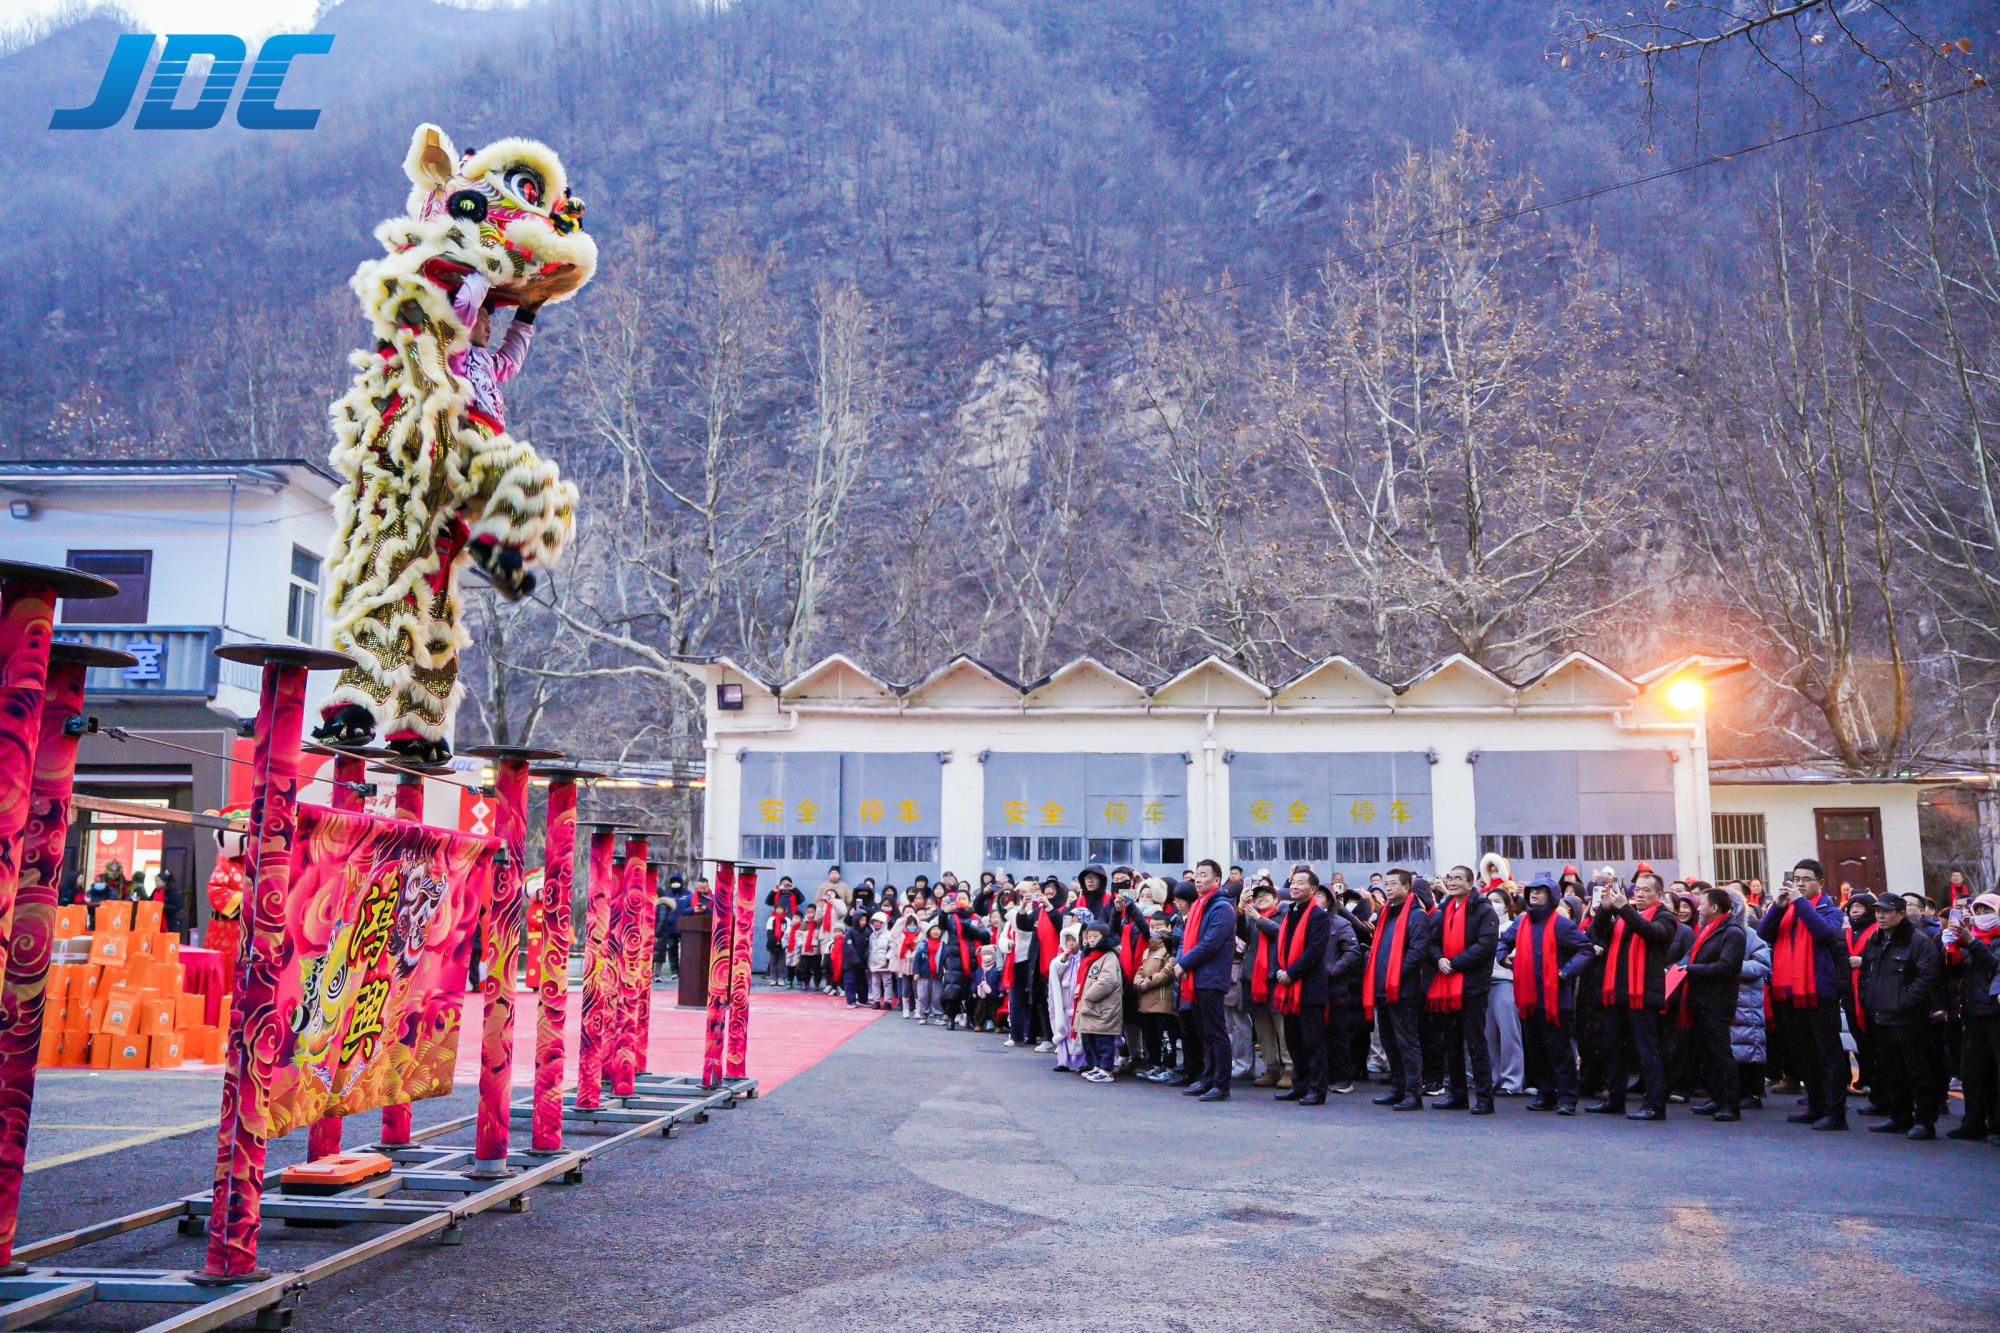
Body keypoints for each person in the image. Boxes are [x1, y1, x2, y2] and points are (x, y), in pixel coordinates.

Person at [1758, 857, 1852, 1130]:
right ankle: (1815, 1106)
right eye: (1796, 879)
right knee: (1803, 1052)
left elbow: (1824, 933)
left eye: (1806, 880)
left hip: (1818, 990)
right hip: (1788, 990)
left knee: (1827, 1052)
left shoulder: (1829, 909)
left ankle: (1835, 1112)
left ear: (1819, 882)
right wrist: (1777, 907)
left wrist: (1800, 902)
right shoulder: (1787, 909)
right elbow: (1763, 934)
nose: (1799, 884)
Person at [1499, 873, 1595, 1114]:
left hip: (1555, 999)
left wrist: (1566, 971)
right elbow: (1503, 942)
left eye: (1541, 890)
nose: (1534, 893)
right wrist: (1503, 957)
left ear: (1551, 896)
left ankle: (1567, 1098)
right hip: (1528, 997)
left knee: (1559, 1050)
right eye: (1532, 890)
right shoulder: (1521, 922)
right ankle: (1546, 1094)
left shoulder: (1561, 924)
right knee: (1536, 1049)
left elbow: (1586, 949)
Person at [1587, 870, 1678, 1120]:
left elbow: (1650, 932)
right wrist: (1605, 910)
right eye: (1637, 889)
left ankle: (1654, 1105)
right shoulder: (1625, 915)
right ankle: (1615, 1099)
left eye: (1646, 890)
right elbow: (1596, 934)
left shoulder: (1665, 917)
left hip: (1643, 993)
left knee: (1646, 1049)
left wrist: (1624, 909)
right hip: (1618, 991)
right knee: (1612, 1047)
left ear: (1659, 894)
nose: (1640, 894)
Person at [1859, 894, 1944, 1139]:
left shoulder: (1918, 941)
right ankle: (1900, 1116)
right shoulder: (1875, 939)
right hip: (1882, 1016)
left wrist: (1903, 1003)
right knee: (1892, 1069)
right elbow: (1865, 973)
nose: (1880, 916)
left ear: (1901, 913)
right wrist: (1868, 998)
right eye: (1878, 911)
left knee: (1917, 1070)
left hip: (1909, 1018)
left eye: (1886, 912)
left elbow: (1926, 978)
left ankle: (1925, 1121)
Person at [1426, 864, 1500, 1114]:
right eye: (1450, 877)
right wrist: (1439, 959)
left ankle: (1484, 1098)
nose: (1453, 881)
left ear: (1470, 883)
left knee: (1475, 1043)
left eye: (1458, 878)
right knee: (1451, 1043)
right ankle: (1457, 1094)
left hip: (1471, 986)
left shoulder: (1483, 910)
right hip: (1446, 984)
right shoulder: (1444, 909)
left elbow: (1486, 945)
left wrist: (1455, 963)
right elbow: (1432, 942)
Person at [1366, 868, 1435, 1111]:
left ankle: (1413, 1093)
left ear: (1407, 888)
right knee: (1389, 1042)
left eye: (1393, 883)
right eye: (1387, 883)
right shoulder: (1386, 912)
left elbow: (1417, 951)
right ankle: (1397, 1088)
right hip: (1382, 988)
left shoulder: (1416, 915)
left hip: (1403, 989)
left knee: (1407, 1043)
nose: (1388, 887)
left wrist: (1395, 974)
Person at [1678, 885, 1747, 1121]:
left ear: (1715, 907)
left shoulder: (1732, 932)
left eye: (1702, 904)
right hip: (1702, 999)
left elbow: (1726, 966)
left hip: (1717, 1001)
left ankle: (1729, 1103)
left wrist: (1691, 969)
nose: (1698, 908)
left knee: (1720, 1052)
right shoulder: (1709, 929)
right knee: (1708, 1053)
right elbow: (1693, 956)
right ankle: (1717, 1097)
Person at [1173, 859, 1237, 1102]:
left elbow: (1210, 943)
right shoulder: (1199, 905)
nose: (1198, 879)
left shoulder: (1222, 908)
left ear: (1217, 880)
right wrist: (1182, 961)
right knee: (1203, 1032)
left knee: (1215, 1032)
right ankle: (1207, 1078)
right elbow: (1186, 940)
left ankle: (1221, 1084)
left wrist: (1184, 964)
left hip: (1211, 977)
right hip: (1196, 977)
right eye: (1197, 875)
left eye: (1203, 875)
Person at [1271, 867, 1330, 1105]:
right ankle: (1300, 1084)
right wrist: (1280, 970)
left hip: (1309, 987)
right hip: (1288, 986)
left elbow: (1314, 951)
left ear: (1313, 889)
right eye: (1293, 882)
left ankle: (1317, 1088)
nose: (1294, 886)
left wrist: (1291, 973)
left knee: (1313, 1042)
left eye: (1300, 883)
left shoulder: (1318, 916)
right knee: (1293, 1041)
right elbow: (1281, 947)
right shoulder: (1290, 912)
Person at [1944, 894, 2000, 1143]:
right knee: (1972, 1072)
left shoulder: (1988, 939)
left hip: (1995, 1011)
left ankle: (1996, 1123)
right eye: (1979, 910)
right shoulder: (1972, 937)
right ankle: (1973, 1122)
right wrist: (1951, 947)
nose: (1983, 915)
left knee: (1996, 1072)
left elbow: (1993, 965)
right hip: (1973, 1012)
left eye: (1988, 910)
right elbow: (1955, 973)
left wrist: (1971, 942)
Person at [1239, 880, 1291, 1089]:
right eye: (1257, 897)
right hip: (1254, 979)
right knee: (1262, 1028)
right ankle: (1271, 1067)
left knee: (1282, 1028)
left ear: (1276, 899)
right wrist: (1241, 911)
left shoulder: (1283, 914)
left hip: (1273, 978)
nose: (1260, 899)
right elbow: (1240, 933)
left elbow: (1281, 933)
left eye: (1265, 896)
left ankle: (1290, 1068)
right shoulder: (1251, 917)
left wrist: (1258, 918)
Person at [1009, 881, 1060, 1052]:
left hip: (1057, 960)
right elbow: (1025, 925)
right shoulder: (1038, 911)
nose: (1048, 895)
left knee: (1059, 1004)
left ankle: (1058, 1038)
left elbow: (1060, 924)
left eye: (1051, 893)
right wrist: (1023, 907)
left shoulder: (1062, 910)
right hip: (1039, 961)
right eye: (1046, 893)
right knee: (1043, 1002)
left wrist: (1049, 906)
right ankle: (1048, 1037)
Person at [1072, 919, 1125, 1083]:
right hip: (1093, 1007)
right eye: (1089, 936)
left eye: (1096, 936)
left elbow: (1108, 981)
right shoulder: (1092, 956)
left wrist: (1088, 995)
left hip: (1103, 1007)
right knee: (1092, 1039)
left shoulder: (1109, 956)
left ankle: (1106, 1069)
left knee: (1104, 1040)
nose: (1092, 940)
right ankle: (1097, 1066)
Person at [1485, 885, 1525, 1096]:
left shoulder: (1513, 926)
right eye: (1489, 901)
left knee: (1509, 1035)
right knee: (1488, 1035)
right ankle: (1493, 1077)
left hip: (1506, 983)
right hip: (1485, 985)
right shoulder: (1482, 926)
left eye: (1497, 901)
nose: (1493, 905)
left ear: (1508, 906)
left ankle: (1512, 1080)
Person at [1133, 933, 1178, 1080]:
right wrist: (1138, 982)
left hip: (1162, 1004)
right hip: (1145, 1003)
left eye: (1158, 926)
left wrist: (1148, 982)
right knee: (1150, 1038)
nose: (1155, 931)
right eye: (1152, 927)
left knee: (1166, 1038)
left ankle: (1169, 1067)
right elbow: (1140, 970)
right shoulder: (1147, 951)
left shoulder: (1169, 949)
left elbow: (1167, 972)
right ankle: (1154, 1065)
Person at [1047, 921, 1085, 1071]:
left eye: (1073, 939)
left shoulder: (1083, 959)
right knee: (1064, 1029)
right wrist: (1063, 959)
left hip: (1076, 1001)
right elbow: (1055, 971)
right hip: (1065, 1001)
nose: (1070, 943)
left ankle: (1080, 1061)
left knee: (1077, 1031)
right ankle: (1063, 1060)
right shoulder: (1063, 958)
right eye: (1068, 939)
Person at [913, 923, 946, 1023]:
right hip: (923, 975)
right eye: (933, 929)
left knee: (937, 997)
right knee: (923, 996)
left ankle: (938, 1016)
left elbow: (946, 960)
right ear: (928, 932)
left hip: (937, 976)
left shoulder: (943, 945)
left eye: (938, 929)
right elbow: (916, 959)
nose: (936, 931)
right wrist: (916, 972)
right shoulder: (923, 944)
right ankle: (923, 1015)